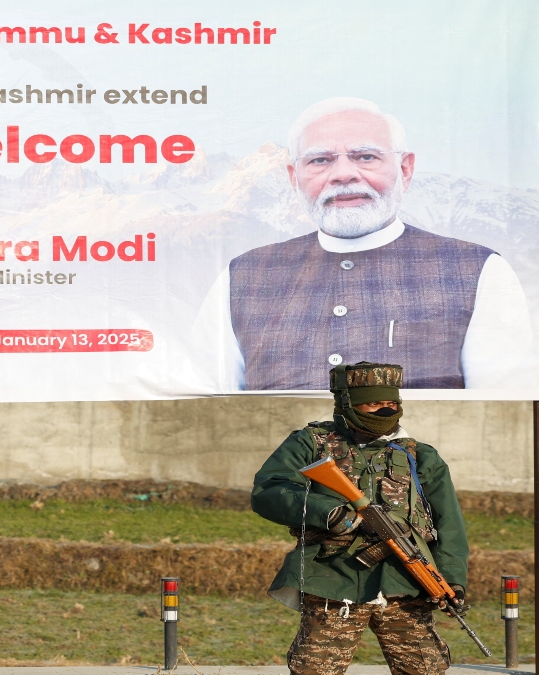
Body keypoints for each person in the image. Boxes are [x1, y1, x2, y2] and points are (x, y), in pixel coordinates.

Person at [194, 97, 531, 390]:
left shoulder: (477, 271)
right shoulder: (242, 277)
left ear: (405, 169)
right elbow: (202, 411)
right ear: (294, 179)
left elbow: (505, 414)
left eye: (366, 157)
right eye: (320, 160)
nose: (343, 174)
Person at [252, 362, 468, 675]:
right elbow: (270, 490)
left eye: (391, 404)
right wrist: (329, 512)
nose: (384, 411)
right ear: (348, 405)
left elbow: (449, 523)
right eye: (374, 403)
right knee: (315, 670)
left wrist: (452, 579)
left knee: (425, 669)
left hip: (405, 582)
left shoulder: (420, 455)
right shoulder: (312, 444)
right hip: (331, 578)